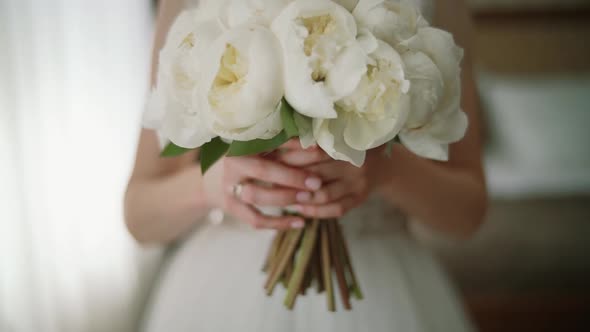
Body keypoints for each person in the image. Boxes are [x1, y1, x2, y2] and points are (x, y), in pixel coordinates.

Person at [125, 0, 487, 331]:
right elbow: (139, 216)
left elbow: (467, 214)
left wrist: (384, 171)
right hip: (223, 288)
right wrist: (212, 185)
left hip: (381, 288)